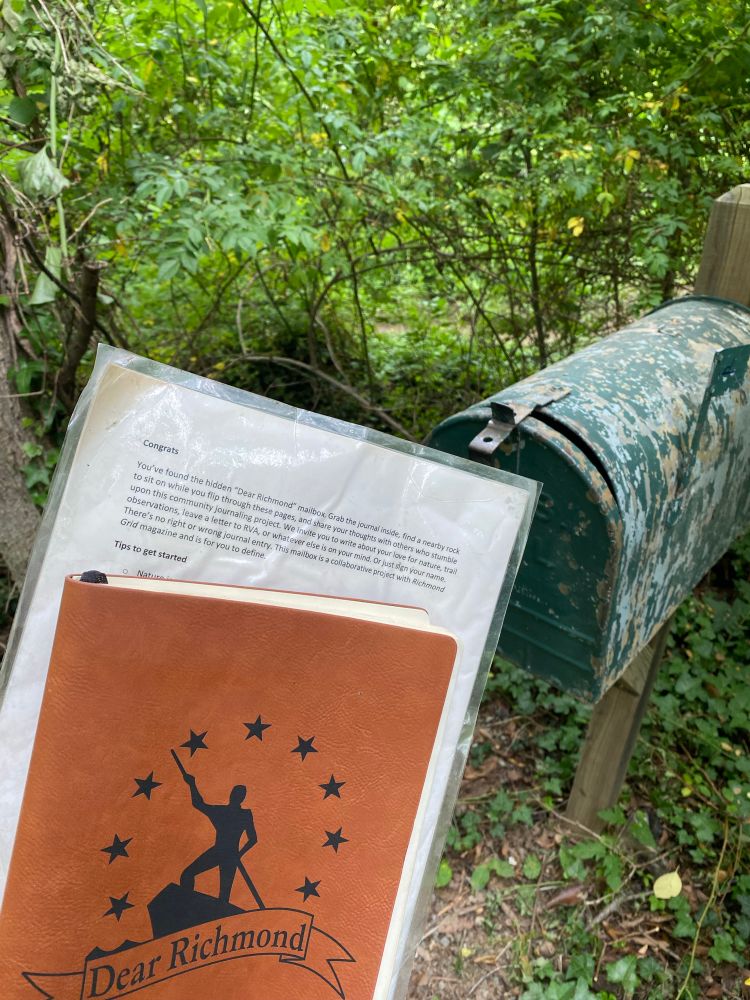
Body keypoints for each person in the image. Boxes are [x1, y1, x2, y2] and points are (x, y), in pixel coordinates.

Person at [177, 767, 260, 906]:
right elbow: (198, 804)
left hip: (228, 855)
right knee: (187, 875)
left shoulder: (243, 814)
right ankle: (186, 907)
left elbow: (253, 839)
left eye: (239, 794)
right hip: (222, 853)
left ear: (241, 798)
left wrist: (239, 854)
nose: (235, 796)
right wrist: (192, 784)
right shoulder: (223, 812)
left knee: (223, 898)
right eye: (235, 793)